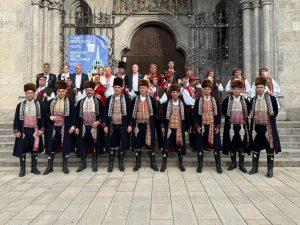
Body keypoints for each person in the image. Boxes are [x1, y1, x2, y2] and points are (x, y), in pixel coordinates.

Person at [248, 76, 281, 178]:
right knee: (256, 147)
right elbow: (250, 112)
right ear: (255, 88)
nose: (259, 89)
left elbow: (275, 112)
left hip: (268, 128)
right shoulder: (253, 100)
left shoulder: (271, 99)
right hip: (257, 128)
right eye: (257, 87)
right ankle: (254, 167)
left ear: (265, 87)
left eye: (261, 87)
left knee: (270, 148)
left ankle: (270, 170)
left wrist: (267, 121)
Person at [43, 80, 76, 175]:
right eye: (59, 91)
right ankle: (50, 167)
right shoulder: (50, 102)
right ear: (56, 91)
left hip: (65, 127)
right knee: (51, 145)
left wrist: (73, 126)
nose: (61, 92)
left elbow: (74, 115)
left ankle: (65, 166)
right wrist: (51, 117)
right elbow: (46, 113)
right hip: (53, 127)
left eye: (63, 91)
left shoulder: (70, 101)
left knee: (65, 146)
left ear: (65, 91)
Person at [13, 83, 45, 177]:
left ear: (34, 93)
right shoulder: (20, 105)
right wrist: (16, 130)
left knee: (34, 150)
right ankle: (22, 169)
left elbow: (43, 118)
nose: (30, 95)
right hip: (23, 130)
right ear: (25, 94)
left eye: (31, 93)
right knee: (22, 150)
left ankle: (33, 168)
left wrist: (42, 129)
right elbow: (16, 119)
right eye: (28, 93)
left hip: (35, 131)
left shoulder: (39, 105)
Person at [103, 77, 132, 172]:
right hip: (111, 125)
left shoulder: (126, 99)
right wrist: (105, 125)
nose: (117, 89)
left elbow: (130, 113)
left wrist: (129, 125)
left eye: (119, 87)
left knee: (121, 144)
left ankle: (120, 163)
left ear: (122, 88)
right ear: (113, 87)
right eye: (115, 87)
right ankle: (111, 163)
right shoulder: (108, 99)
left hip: (122, 125)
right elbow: (105, 113)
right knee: (112, 144)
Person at [221, 80, 251, 173]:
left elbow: (248, 112)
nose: (236, 91)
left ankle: (241, 165)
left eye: (238, 89)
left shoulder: (245, 101)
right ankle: (233, 163)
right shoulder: (227, 100)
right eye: (234, 89)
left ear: (241, 90)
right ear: (231, 90)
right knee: (232, 145)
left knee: (241, 146)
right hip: (231, 126)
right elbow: (223, 111)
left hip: (242, 126)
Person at [75, 81, 105, 172]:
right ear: (85, 91)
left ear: (93, 91)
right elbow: (76, 116)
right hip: (83, 127)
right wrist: (76, 127)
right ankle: (83, 164)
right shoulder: (80, 102)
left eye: (91, 90)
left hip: (94, 127)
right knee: (83, 145)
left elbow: (103, 114)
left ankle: (94, 163)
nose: (89, 91)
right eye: (87, 90)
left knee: (94, 145)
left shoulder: (98, 101)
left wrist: (98, 122)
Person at [194, 79, 222, 174]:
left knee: (216, 145)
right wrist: (197, 126)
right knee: (200, 145)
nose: (206, 91)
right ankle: (200, 165)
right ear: (203, 90)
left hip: (212, 126)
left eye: (208, 89)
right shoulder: (198, 101)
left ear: (211, 90)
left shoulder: (215, 100)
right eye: (205, 89)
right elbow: (195, 115)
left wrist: (218, 126)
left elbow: (218, 114)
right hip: (201, 126)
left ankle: (218, 165)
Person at [131, 79, 159, 172]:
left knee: (150, 144)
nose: (142, 89)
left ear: (147, 89)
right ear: (139, 89)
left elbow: (156, 113)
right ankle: (137, 163)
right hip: (137, 126)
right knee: (137, 144)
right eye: (141, 88)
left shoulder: (152, 99)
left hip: (148, 126)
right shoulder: (134, 99)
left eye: (144, 88)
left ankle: (153, 163)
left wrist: (152, 121)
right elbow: (131, 113)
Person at [160, 84, 187, 172]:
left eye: (176, 92)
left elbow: (186, 116)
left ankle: (181, 164)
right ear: (171, 93)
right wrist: (163, 126)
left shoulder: (182, 104)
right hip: (169, 127)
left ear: (179, 93)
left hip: (179, 127)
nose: (175, 94)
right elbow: (163, 116)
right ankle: (164, 164)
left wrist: (188, 127)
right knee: (166, 145)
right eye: (173, 92)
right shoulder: (167, 103)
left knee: (179, 145)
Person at [148, 75, 168, 151]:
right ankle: (150, 145)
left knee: (159, 130)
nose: (156, 80)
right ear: (151, 80)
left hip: (158, 113)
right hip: (150, 112)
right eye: (154, 79)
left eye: (156, 79)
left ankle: (161, 145)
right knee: (150, 130)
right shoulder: (148, 89)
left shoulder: (160, 89)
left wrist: (159, 100)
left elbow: (165, 99)